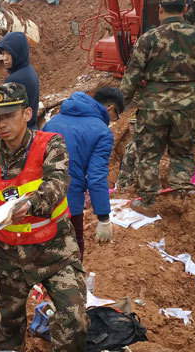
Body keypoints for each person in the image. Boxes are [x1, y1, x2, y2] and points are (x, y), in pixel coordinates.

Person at [0, 83, 88, 352]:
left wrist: (31, 204)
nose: (1, 125)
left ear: (26, 114)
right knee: (9, 325)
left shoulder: (51, 145)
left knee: (73, 318)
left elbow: (57, 183)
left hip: (55, 253)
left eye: (8, 116)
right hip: (10, 258)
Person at [119, 0, 195, 216]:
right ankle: (179, 196)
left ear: (160, 9)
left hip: (153, 107)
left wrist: (119, 104)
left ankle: (148, 202)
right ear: (185, 9)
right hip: (186, 107)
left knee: (148, 154)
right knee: (182, 152)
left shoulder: (148, 38)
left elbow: (131, 76)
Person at [42, 87, 125, 256]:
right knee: (72, 258)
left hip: (41, 200)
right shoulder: (102, 132)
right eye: (116, 115)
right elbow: (96, 176)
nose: (113, 120)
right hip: (69, 205)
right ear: (110, 108)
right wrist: (103, 218)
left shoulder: (52, 122)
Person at [0, 32, 39, 129]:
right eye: (3, 53)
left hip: (18, 135)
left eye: (9, 53)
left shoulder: (15, 79)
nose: (4, 58)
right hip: (30, 130)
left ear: (19, 53)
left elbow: (4, 114)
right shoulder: (29, 70)